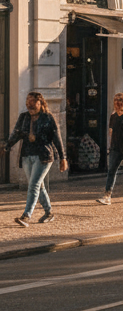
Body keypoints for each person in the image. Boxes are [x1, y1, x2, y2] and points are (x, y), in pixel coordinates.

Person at [2, 91, 68, 226]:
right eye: (27, 101)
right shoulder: (24, 117)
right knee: (39, 185)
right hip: (27, 155)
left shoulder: (48, 118)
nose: (29, 104)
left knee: (33, 185)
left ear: (40, 103)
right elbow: (16, 134)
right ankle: (49, 212)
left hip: (44, 156)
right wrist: (6, 146)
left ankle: (26, 216)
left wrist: (63, 157)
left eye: (32, 102)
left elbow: (57, 138)